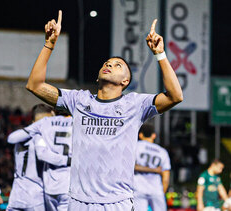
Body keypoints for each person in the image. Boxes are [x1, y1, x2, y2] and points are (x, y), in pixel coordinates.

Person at [26, 10, 183, 210]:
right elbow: (34, 85)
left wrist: (160, 54)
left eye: (118, 65)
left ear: (125, 81)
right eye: (107, 63)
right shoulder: (78, 100)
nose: (109, 65)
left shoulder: (135, 105)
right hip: (79, 202)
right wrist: (49, 44)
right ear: (98, 77)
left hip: (117, 203)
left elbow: (175, 96)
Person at [22, 110, 73, 211]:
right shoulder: (79, 122)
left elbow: (12, 138)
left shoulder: (45, 123)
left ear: (53, 112)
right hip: (69, 184)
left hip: (50, 185)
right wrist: (68, 160)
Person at [7, 104, 55, 211]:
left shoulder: (21, 135)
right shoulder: (46, 140)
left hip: (17, 195)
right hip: (36, 197)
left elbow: (11, 138)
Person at [133, 123, 171, 211]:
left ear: (140, 135)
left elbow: (131, 167)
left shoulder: (135, 146)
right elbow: (166, 178)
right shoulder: (162, 151)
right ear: (154, 135)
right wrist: (162, 192)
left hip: (138, 188)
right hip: (156, 189)